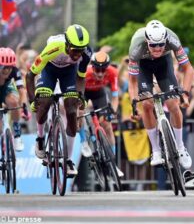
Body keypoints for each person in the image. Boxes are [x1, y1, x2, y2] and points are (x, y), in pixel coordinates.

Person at [25, 24, 92, 176]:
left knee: (71, 110)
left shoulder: (86, 53)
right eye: (74, 50)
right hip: (49, 70)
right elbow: (29, 76)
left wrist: (80, 96)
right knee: (45, 101)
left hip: (69, 73)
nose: (77, 54)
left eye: (80, 51)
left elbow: (81, 77)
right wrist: (32, 101)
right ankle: (40, 139)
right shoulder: (53, 48)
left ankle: (68, 160)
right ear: (67, 44)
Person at [128, 19, 193, 169]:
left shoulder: (172, 39)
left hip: (164, 64)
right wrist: (133, 100)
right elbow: (132, 81)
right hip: (143, 66)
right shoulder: (136, 47)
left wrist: (186, 93)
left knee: (173, 104)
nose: (157, 48)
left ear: (165, 41)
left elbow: (188, 69)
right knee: (146, 103)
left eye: (161, 45)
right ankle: (156, 151)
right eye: (153, 45)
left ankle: (181, 147)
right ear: (147, 41)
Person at [77, 51, 124, 177]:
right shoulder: (85, 73)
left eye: (103, 70)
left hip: (99, 94)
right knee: (79, 112)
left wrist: (112, 112)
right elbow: (77, 93)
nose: (100, 73)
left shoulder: (113, 72)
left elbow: (115, 98)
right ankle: (83, 142)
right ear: (92, 67)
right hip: (84, 92)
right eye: (97, 70)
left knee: (107, 125)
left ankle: (113, 164)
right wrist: (80, 106)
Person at [0, 47, 30, 151]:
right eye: (4, 67)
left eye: (9, 67)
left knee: (13, 101)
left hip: (6, 88)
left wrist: (24, 108)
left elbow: (22, 91)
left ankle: (17, 134)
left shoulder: (15, 71)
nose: (7, 70)